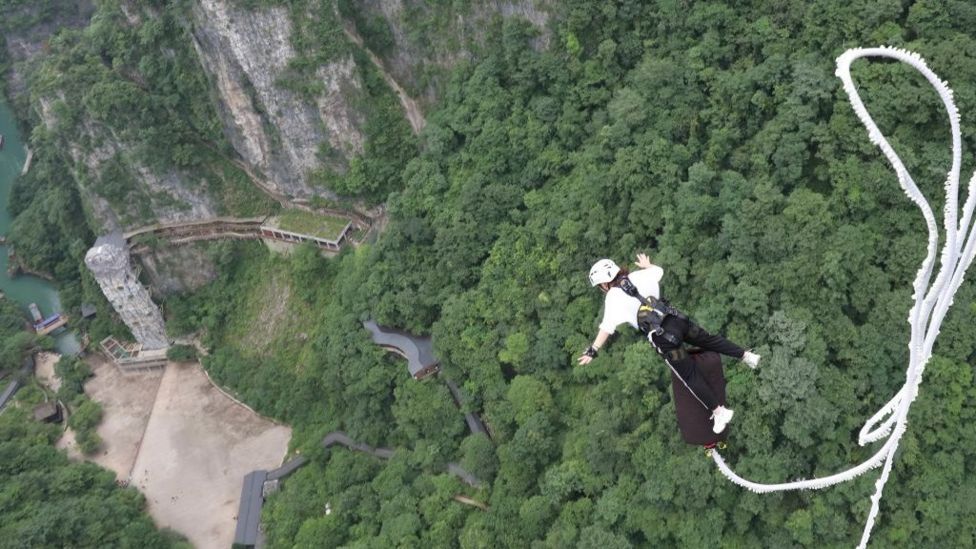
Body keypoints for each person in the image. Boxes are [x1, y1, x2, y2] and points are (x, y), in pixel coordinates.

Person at [577, 253, 760, 433]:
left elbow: (607, 327)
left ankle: (719, 412)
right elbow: (659, 271)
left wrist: (593, 350)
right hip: (679, 320)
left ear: (603, 283)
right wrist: (647, 265)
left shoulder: (613, 297)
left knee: (690, 375)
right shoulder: (638, 275)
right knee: (709, 340)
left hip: (665, 340)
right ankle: (747, 356)